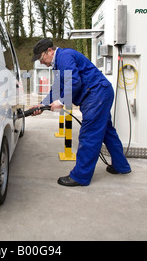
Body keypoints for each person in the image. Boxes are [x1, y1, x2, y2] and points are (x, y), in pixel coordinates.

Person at [30, 38, 131, 187]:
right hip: (99, 94)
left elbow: (74, 82)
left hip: (96, 95)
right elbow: (58, 88)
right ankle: (121, 166)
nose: (41, 62)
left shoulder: (64, 57)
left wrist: (62, 102)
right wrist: (42, 104)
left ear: (49, 51)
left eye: (41, 58)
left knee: (89, 135)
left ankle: (81, 176)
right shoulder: (60, 62)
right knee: (107, 132)